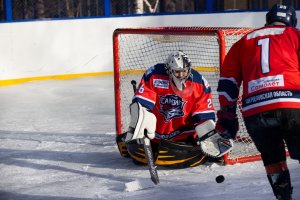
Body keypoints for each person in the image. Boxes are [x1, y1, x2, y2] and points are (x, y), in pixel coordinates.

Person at [216, 4, 300, 200]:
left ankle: (283, 196)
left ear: (267, 20)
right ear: (292, 21)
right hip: (293, 105)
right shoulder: (295, 35)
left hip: (255, 111)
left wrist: (228, 116)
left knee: (273, 158)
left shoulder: (243, 41)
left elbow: (228, 83)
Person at [116, 50, 232, 168]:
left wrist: (209, 137)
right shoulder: (154, 75)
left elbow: (204, 117)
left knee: (198, 154)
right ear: (169, 70)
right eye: (177, 72)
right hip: (155, 135)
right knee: (138, 155)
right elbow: (141, 105)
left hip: (183, 137)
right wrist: (142, 120)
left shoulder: (200, 83)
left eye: (184, 71)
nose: (181, 75)